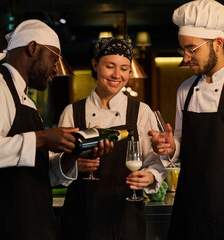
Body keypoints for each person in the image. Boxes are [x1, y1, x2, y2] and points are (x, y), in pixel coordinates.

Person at [0, 19, 111, 240]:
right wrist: (41, 138)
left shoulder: (27, 102)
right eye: (54, 59)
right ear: (33, 48)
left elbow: (37, 174)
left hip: (34, 223)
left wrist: (72, 155)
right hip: (3, 222)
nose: (56, 69)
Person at [148, 1, 224, 239]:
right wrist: (171, 147)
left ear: (217, 42)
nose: (186, 58)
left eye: (192, 49)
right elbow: (186, 149)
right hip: (185, 216)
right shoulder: (185, 90)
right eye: (183, 50)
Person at [59, 37, 166, 240]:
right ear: (94, 65)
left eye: (125, 68)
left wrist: (150, 176)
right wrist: (73, 163)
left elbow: (155, 163)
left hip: (126, 219)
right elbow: (54, 167)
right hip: (82, 222)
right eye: (110, 66)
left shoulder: (141, 112)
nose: (117, 75)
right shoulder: (72, 112)